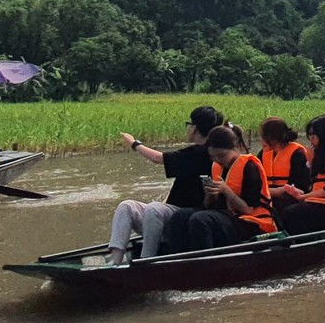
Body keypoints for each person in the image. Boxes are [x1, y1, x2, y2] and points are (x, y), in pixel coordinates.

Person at [105, 105, 223, 265]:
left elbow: (157, 158)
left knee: (155, 209)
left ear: (194, 128)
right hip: (169, 215)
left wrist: (134, 144)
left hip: (186, 217)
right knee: (127, 206)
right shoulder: (194, 153)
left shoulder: (201, 153)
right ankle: (114, 261)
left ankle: (147, 262)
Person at [178, 126, 277, 251]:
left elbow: (248, 210)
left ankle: (206, 262)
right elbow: (209, 207)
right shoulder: (218, 167)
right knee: (181, 215)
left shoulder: (250, 167)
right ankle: (176, 257)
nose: (218, 160)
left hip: (253, 222)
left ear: (235, 147)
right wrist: (210, 194)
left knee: (200, 219)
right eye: (213, 157)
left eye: (222, 155)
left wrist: (226, 191)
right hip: (228, 217)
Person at [258, 116, 311, 213]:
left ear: (275, 139)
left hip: (290, 199)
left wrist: (267, 192)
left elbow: (299, 187)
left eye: (264, 137)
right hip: (267, 196)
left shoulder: (297, 154)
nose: (261, 140)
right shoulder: (263, 153)